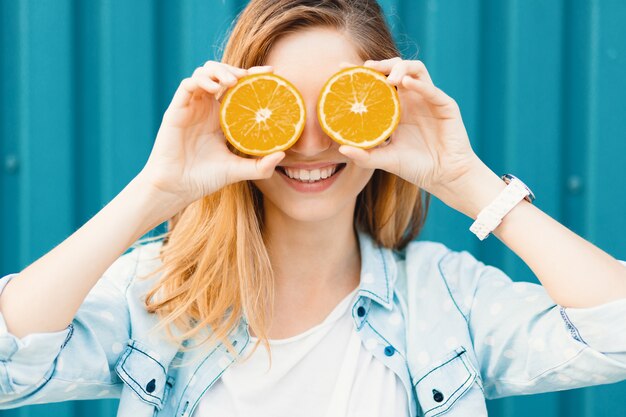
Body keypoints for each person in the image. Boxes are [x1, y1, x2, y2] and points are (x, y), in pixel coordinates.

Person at [1, 0, 625, 416]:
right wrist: (155, 192)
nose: (308, 143)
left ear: (384, 113)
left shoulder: (444, 298)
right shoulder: (157, 298)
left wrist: (468, 181)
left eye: (339, 102)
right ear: (235, 117)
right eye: (279, 108)